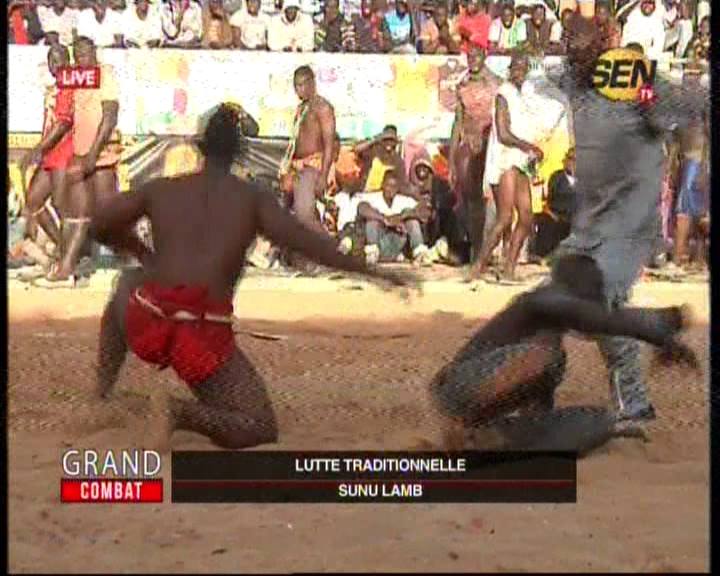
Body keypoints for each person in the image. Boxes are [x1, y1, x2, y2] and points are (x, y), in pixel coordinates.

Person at [91, 103, 418, 450]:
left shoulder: (162, 189)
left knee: (127, 283)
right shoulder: (250, 199)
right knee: (258, 424)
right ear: (240, 153)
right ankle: (182, 413)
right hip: (198, 336)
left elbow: (100, 224)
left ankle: (100, 391)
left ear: (200, 146)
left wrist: (142, 253)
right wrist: (373, 272)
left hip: (145, 316)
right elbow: (309, 244)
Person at [555, 14, 708, 430]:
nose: (571, 50)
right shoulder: (575, 79)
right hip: (594, 219)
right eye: (568, 42)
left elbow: (670, 113)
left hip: (628, 220)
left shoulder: (632, 80)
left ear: (604, 45)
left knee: (602, 304)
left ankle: (635, 404)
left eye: (579, 44)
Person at [429, 253, 699, 451]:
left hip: (479, 407)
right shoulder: (538, 302)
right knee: (545, 358)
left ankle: (485, 440)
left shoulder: (548, 340)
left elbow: (537, 412)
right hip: (456, 387)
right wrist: (661, 328)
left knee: (601, 420)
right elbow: (601, 319)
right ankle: (463, 429)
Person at [49, 35, 121, 285]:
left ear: (95, 53)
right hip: (80, 155)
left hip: (101, 156)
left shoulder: (105, 75)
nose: (82, 59)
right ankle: (67, 265)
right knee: (77, 214)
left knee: (111, 213)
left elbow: (110, 117)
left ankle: (143, 258)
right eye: (77, 55)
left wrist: (92, 155)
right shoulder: (76, 81)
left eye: (85, 53)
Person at [470, 51, 543, 282]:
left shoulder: (523, 95)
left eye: (524, 68)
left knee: (527, 217)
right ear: (511, 69)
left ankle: (508, 267)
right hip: (505, 158)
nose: (520, 72)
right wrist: (529, 146)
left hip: (520, 159)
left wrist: (529, 150)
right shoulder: (503, 94)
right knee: (504, 217)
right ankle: (479, 266)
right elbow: (502, 133)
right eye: (517, 68)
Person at [19, 44, 75, 275]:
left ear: (68, 61)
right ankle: (65, 253)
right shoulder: (53, 89)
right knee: (33, 202)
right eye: (51, 59)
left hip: (66, 151)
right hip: (50, 153)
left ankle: (69, 262)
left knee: (62, 206)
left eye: (59, 58)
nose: (55, 63)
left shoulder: (71, 87)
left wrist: (36, 149)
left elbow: (63, 124)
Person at [448, 46, 500, 264]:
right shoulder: (462, 86)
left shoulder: (497, 84)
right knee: (471, 199)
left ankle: (490, 250)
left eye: (476, 56)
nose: (473, 60)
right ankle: (476, 248)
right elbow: (458, 123)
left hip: (491, 143)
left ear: (484, 58)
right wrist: (451, 159)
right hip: (469, 143)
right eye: (469, 57)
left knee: (493, 199)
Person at [278, 66, 336, 249]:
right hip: (296, 167)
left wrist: (324, 176)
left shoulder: (323, 107)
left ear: (312, 83)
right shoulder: (301, 108)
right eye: (296, 86)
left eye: (302, 85)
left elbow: (329, 144)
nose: (298, 90)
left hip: (312, 166)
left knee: (304, 214)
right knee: (286, 212)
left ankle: (332, 251)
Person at [357, 170, 433, 265]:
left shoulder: (403, 200)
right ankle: (372, 254)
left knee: (412, 220)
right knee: (372, 221)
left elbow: (425, 211)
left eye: (394, 187)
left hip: (398, 242)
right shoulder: (373, 197)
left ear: (398, 188)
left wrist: (401, 217)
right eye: (388, 185)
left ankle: (420, 254)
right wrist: (384, 219)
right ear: (382, 185)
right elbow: (361, 208)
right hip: (380, 242)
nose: (390, 189)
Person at [530, 147, 575, 258]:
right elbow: (547, 201)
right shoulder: (557, 178)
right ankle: (542, 255)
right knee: (546, 221)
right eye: (569, 158)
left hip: (575, 217)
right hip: (556, 215)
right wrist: (552, 214)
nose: (571, 162)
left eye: (574, 160)